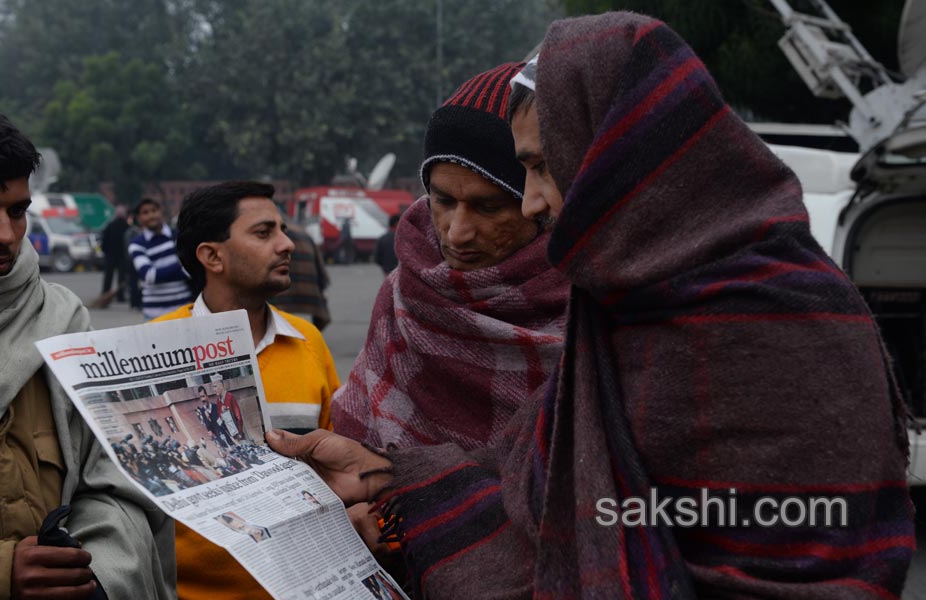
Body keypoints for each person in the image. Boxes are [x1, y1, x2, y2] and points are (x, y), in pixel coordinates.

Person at [268, 12, 915, 598]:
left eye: (546, 168)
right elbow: (549, 491)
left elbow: (624, 529)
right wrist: (389, 477)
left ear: (627, 159)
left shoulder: (781, 319)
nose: (532, 202)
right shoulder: (622, 306)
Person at [0, 103, 176, 599]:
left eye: (17, 210)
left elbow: (117, 481)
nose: (4, 235)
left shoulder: (63, 320)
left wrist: (93, 573)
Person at [331, 62, 570, 452]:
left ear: (537, 202)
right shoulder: (403, 293)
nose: (457, 233)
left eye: (488, 207)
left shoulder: (598, 302)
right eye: (442, 201)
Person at [153, 179, 340, 600]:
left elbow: (337, 464)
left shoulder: (309, 343)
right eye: (264, 232)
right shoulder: (155, 343)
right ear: (211, 256)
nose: (286, 244)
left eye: (283, 229)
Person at [128, 197, 192, 319]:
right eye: (145, 212)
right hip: (154, 313)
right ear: (139, 218)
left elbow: (190, 270)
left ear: (160, 211)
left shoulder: (178, 235)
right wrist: (179, 265)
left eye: (154, 210)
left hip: (184, 309)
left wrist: (161, 273)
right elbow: (149, 276)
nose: (151, 215)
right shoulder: (137, 244)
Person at [270, 221, 332, 330]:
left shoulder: (269, 235)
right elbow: (321, 274)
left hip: (278, 303)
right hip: (309, 301)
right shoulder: (304, 234)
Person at [100, 204, 129, 302]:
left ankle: (105, 293)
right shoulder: (127, 227)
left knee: (108, 276)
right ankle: (120, 296)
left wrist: (105, 252)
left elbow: (104, 241)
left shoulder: (110, 226)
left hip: (110, 256)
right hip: (123, 256)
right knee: (122, 277)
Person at [209, 374, 245, 443]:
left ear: (221, 386)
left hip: (238, 433)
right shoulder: (218, 401)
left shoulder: (230, 397)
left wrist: (240, 432)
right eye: (213, 387)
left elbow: (238, 416)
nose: (214, 390)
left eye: (215, 386)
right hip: (229, 435)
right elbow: (220, 418)